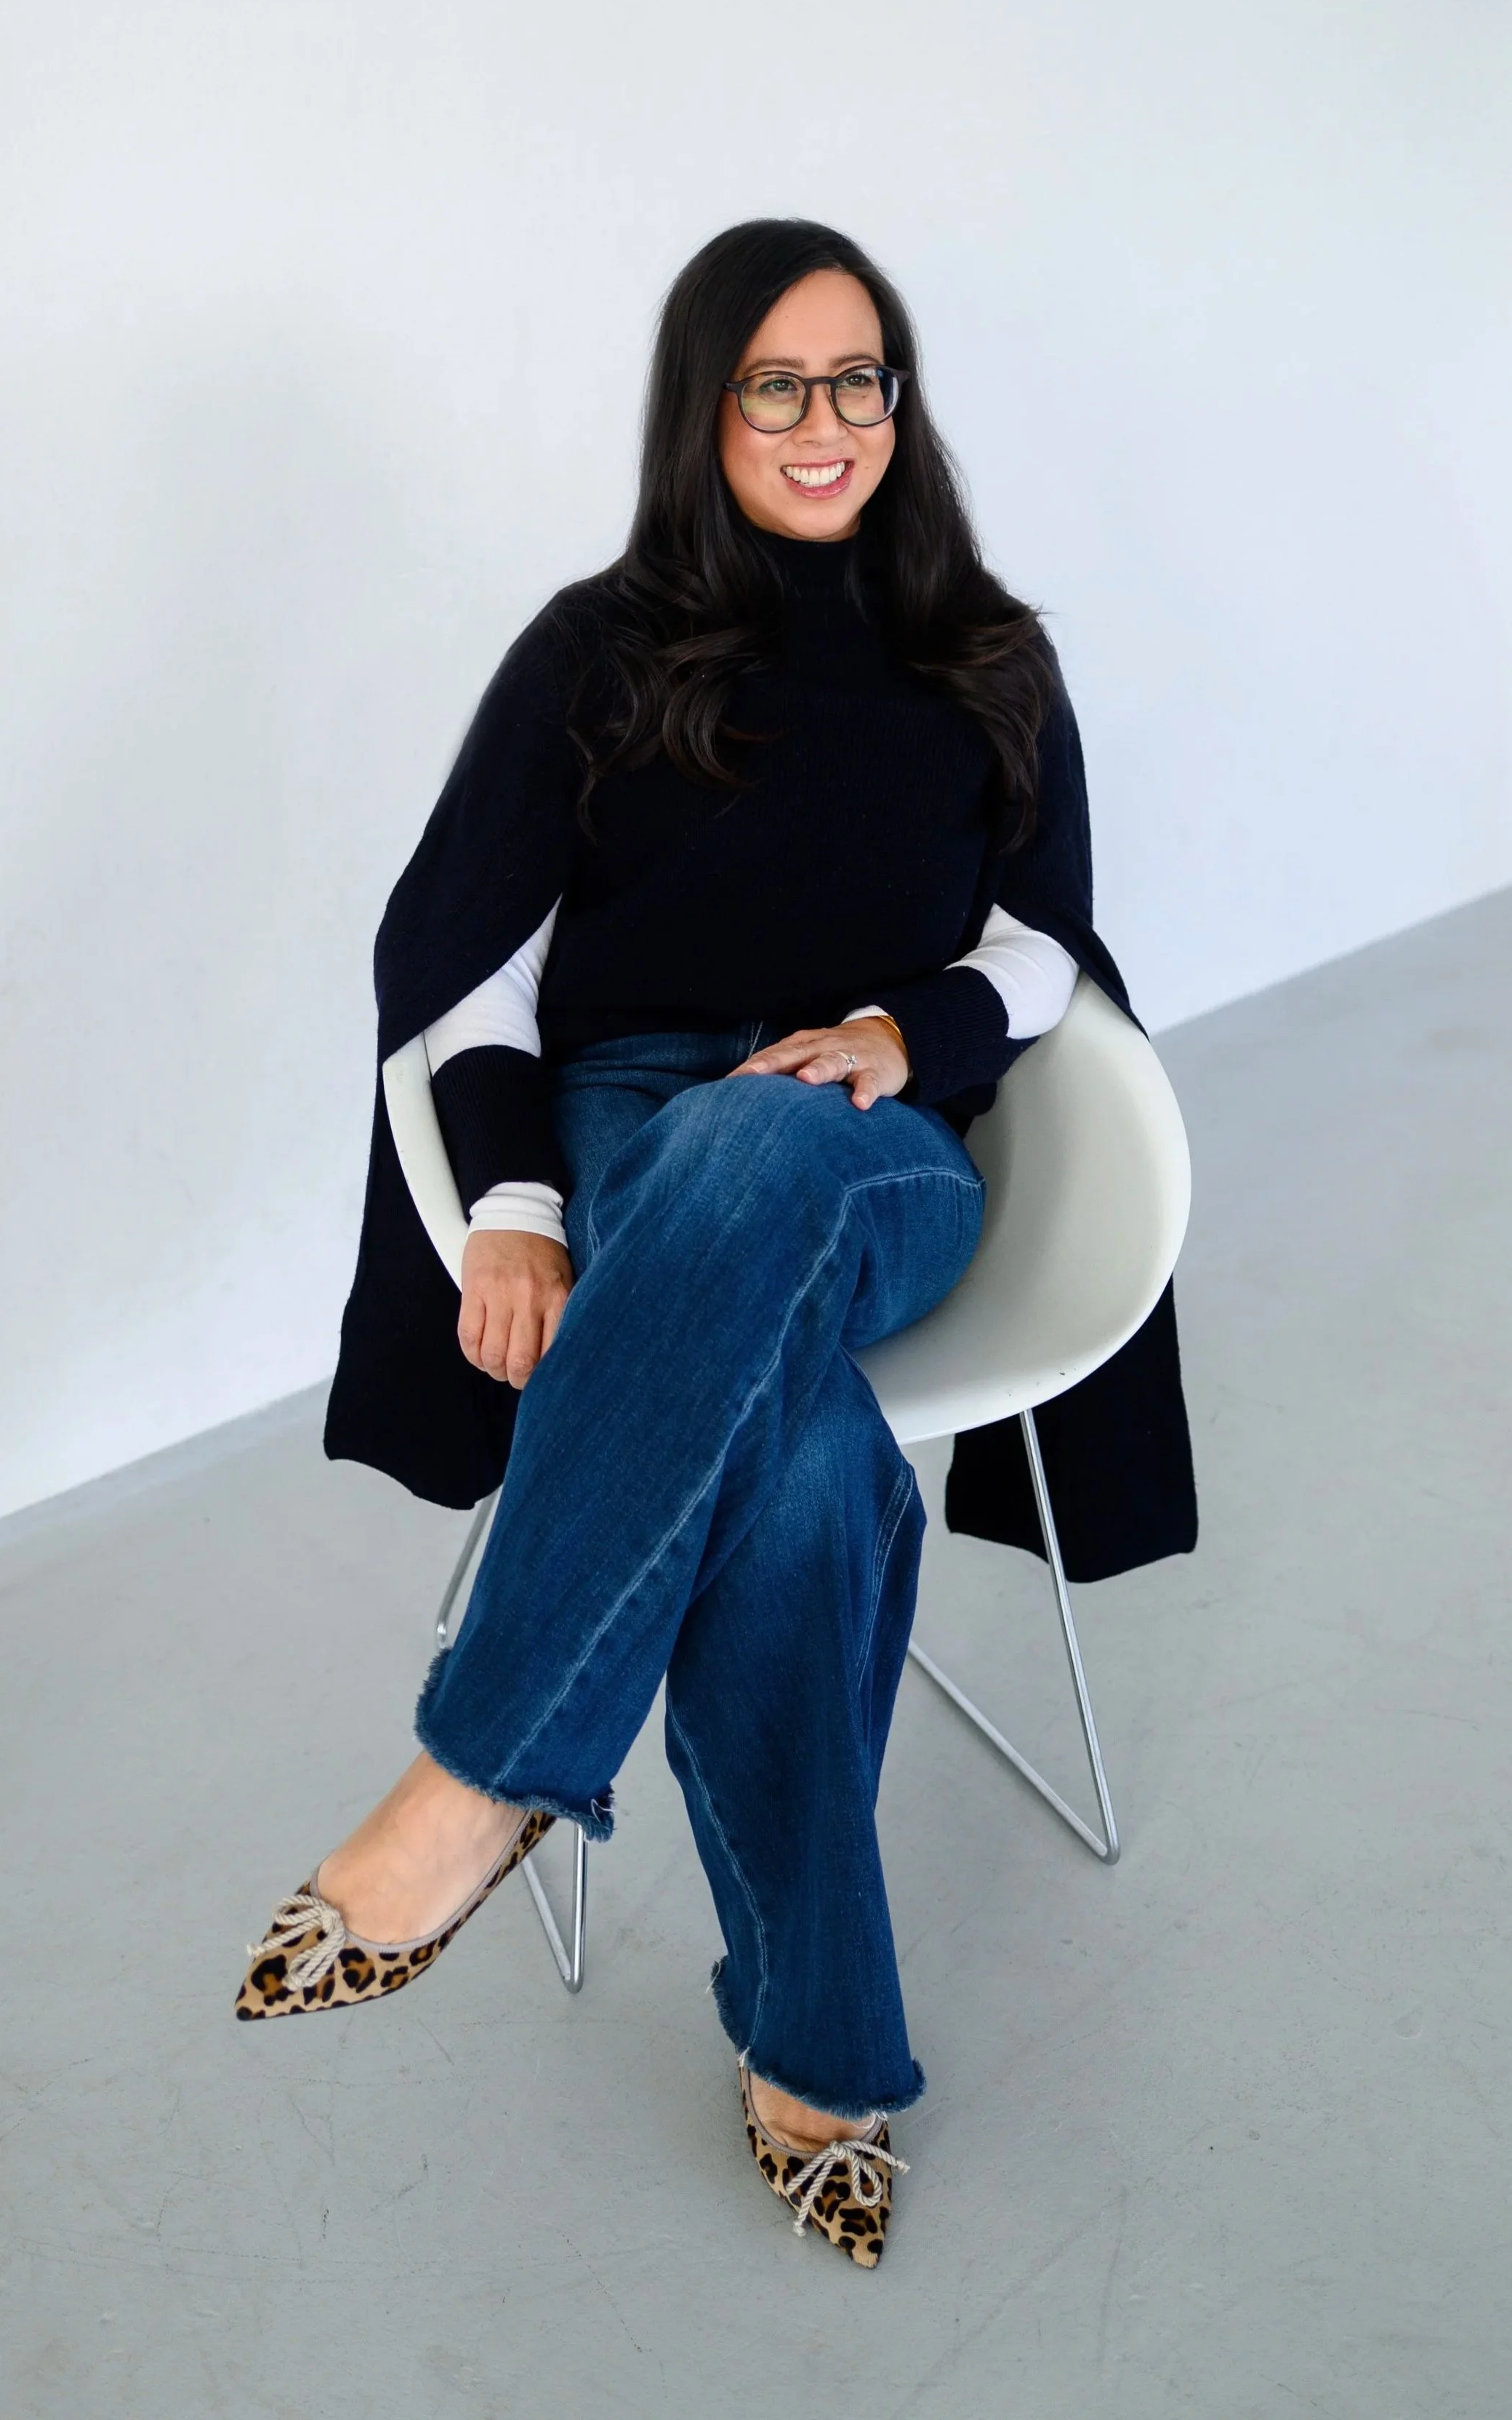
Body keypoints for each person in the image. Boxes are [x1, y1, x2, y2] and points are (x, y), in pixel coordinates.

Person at [236, 219, 1195, 2267]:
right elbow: (462, 963)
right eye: (779, 383)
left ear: (897, 403)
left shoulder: (986, 653)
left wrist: (887, 1035)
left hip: (874, 1143)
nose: (827, 421)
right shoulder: (594, 649)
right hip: (617, 1122)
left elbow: (1039, 946)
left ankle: (479, 1772)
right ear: (705, 407)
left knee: (755, 1146)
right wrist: (506, 1201)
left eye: (861, 379)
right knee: (799, 1491)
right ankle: (817, 2048)